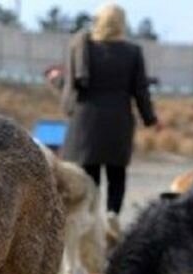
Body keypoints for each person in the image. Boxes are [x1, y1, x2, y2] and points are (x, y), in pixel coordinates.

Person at [55, 3, 160, 235]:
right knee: (116, 174)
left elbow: (72, 86)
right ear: (122, 23)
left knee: (89, 177)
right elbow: (140, 91)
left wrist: (56, 81)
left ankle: (91, 221)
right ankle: (112, 214)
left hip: (86, 122)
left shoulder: (81, 47)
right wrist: (150, 119)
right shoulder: (133, 52)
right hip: (118, 121)